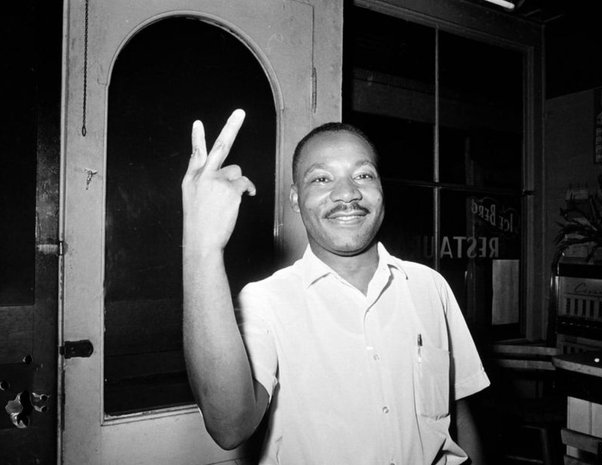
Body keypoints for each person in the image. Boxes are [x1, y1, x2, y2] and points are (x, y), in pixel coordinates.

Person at [182, 109, 490, 465]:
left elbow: (460, 415)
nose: (347, 193)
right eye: (321, 179)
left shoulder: (430, 286)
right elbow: (229, 427)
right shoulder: (264, 301)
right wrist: (203, 247)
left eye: (363, 174)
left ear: (381, 189)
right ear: (296, 199)